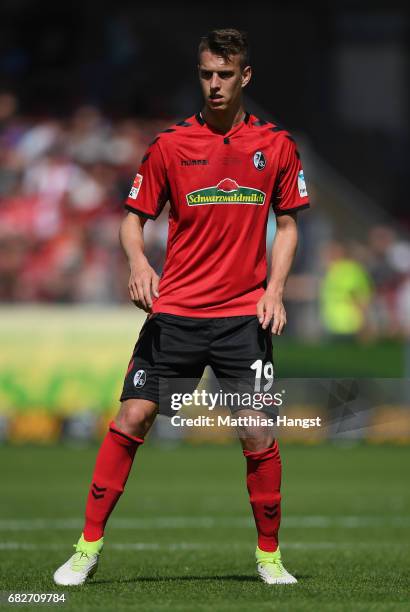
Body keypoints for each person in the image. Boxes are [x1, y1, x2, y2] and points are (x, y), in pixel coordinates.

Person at [54, 28, 310, 587]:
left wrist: (275, 290)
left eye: (224, 75)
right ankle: (86, 547)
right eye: (205, 75)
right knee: (133, 417)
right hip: (176, 314)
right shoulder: (171, 145)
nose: (214, 85)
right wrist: (139, 264)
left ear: (245, 77)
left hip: (244, 317)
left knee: (258, 434)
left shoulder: (277, 146)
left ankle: (270, 558)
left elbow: (288, 224)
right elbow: (131, 218)